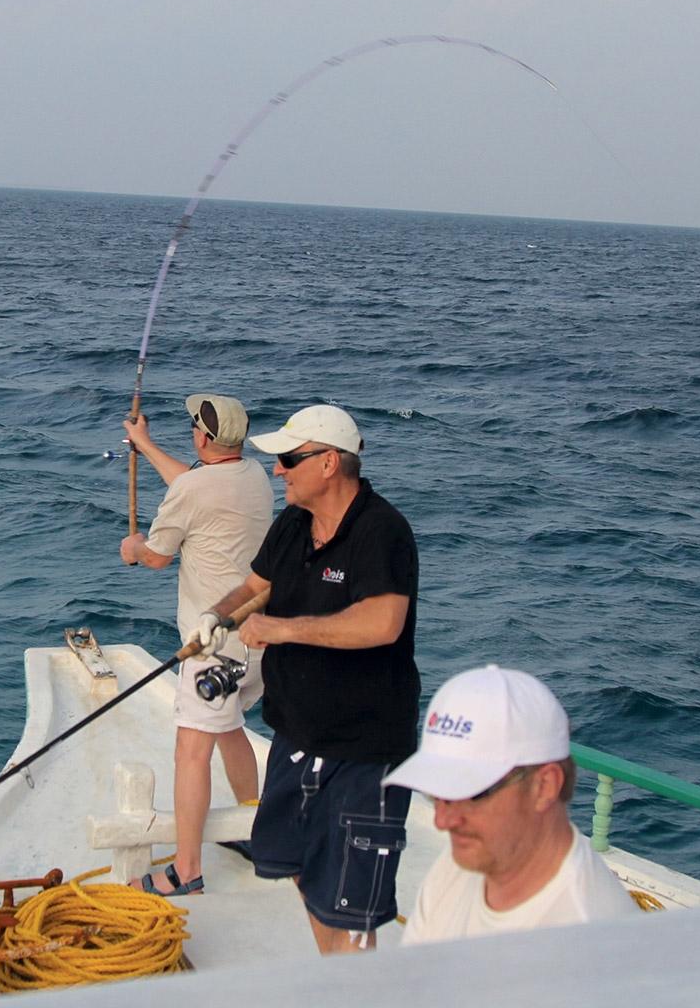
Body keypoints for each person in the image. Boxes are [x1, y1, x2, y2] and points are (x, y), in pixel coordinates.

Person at [191, 404, 420, 954]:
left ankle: (349, 983)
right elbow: (255, 587)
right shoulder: (293, 523)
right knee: (303, 873)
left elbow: (383, 623)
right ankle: (333, 971)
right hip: (295, 737)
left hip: (364, 753)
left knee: (351, 905)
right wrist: (217, 617)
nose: (278, 470)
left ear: (329, 463)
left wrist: (283, 629)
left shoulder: (383, 531)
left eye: (289, 460)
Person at [120, 393, 274, 896]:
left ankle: (186, 872)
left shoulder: (192, 490)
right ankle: (254, 832)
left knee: (191, 751)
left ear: (204, 439)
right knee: (231, 729)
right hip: (256, 643)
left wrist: (133, 548)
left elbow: (158, 556)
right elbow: (191, 486)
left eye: (194, 427)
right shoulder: (254, 475)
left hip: (212, 649)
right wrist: (144, 443)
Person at [382, 665, 637, 945]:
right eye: (438, 794)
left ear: (544, 786)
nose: (442, 822)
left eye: (473, 795)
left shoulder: (589, 941)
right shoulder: (458, 865)